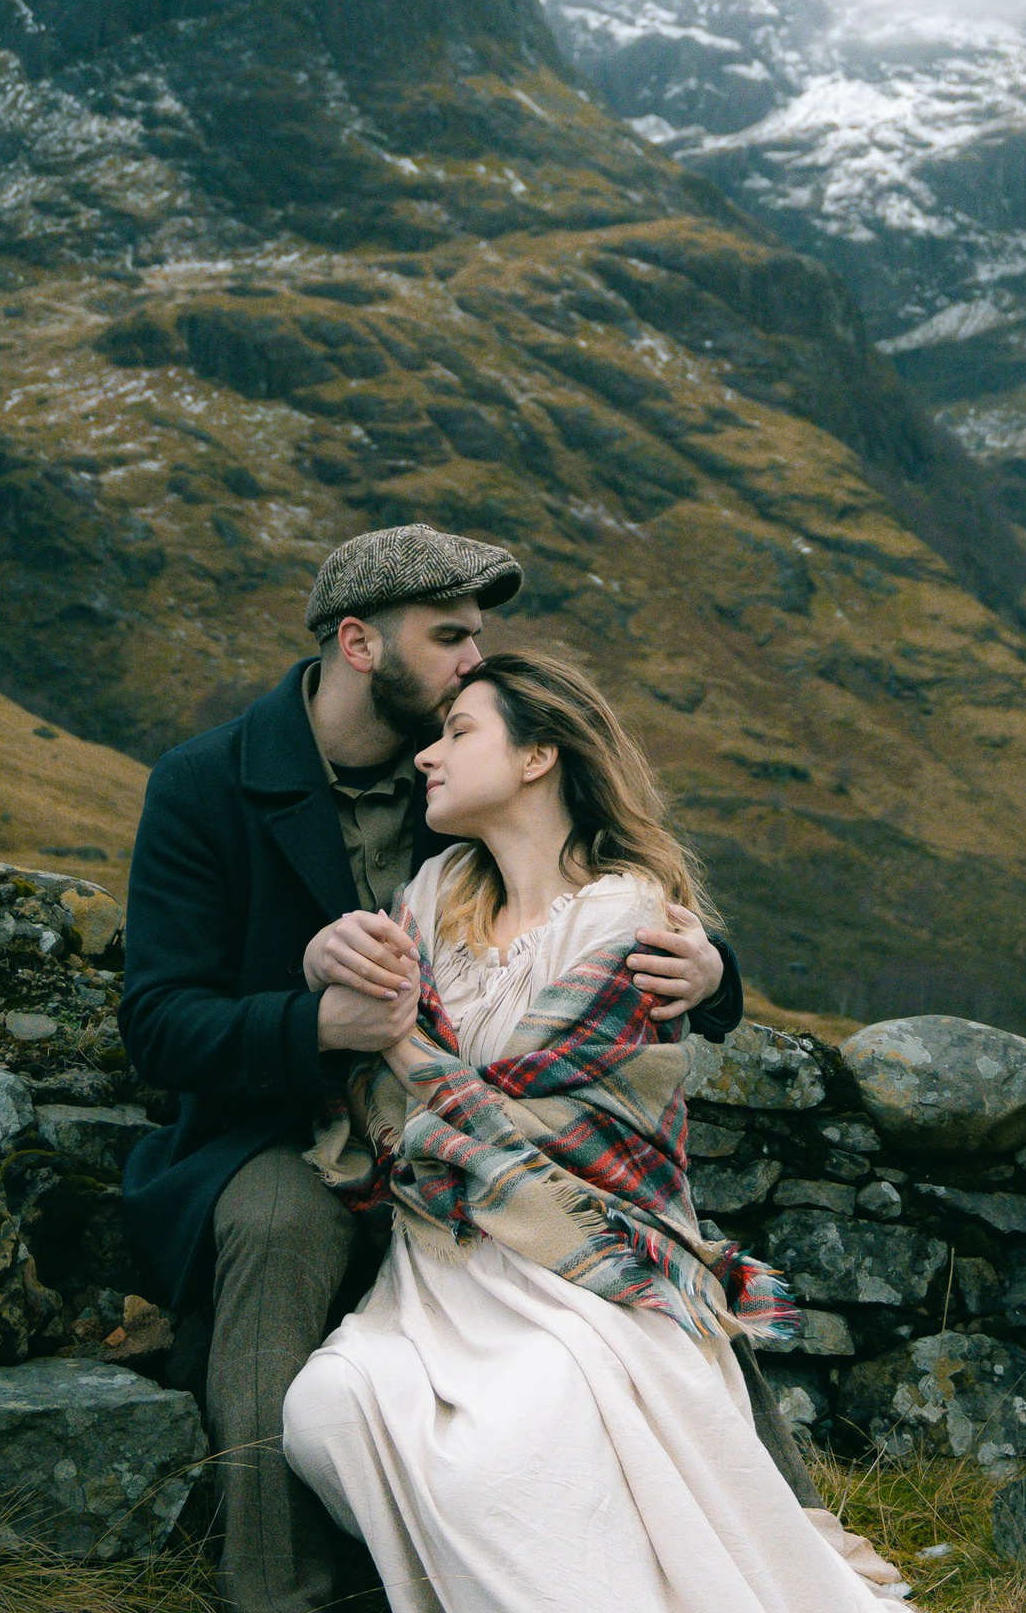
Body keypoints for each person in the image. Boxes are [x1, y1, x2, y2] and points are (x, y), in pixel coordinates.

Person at [120, 525, 759, 1613]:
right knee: (279, 1228)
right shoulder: (203, 784)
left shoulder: (464, 772)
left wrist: (715, 971)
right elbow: (159, 1024)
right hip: (276, 1126)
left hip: (456, 1131)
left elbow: (591, 871)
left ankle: (731, 1531)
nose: (476, 659)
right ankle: (275, 1590)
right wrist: (317, 1024)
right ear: (359, 643)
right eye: (451, 636)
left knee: (634, 1264)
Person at [281, 650, 904, 1611]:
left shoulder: (629, 915)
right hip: (440, 1266)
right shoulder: (431, 894)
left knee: (514, 1446)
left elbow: (535, 1111)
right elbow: (392, 1076)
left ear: (538, 758)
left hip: (583, 1263)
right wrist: (327, 968)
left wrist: (407, 1055)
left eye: (458, 734)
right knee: (326, 1412)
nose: (426, 758)